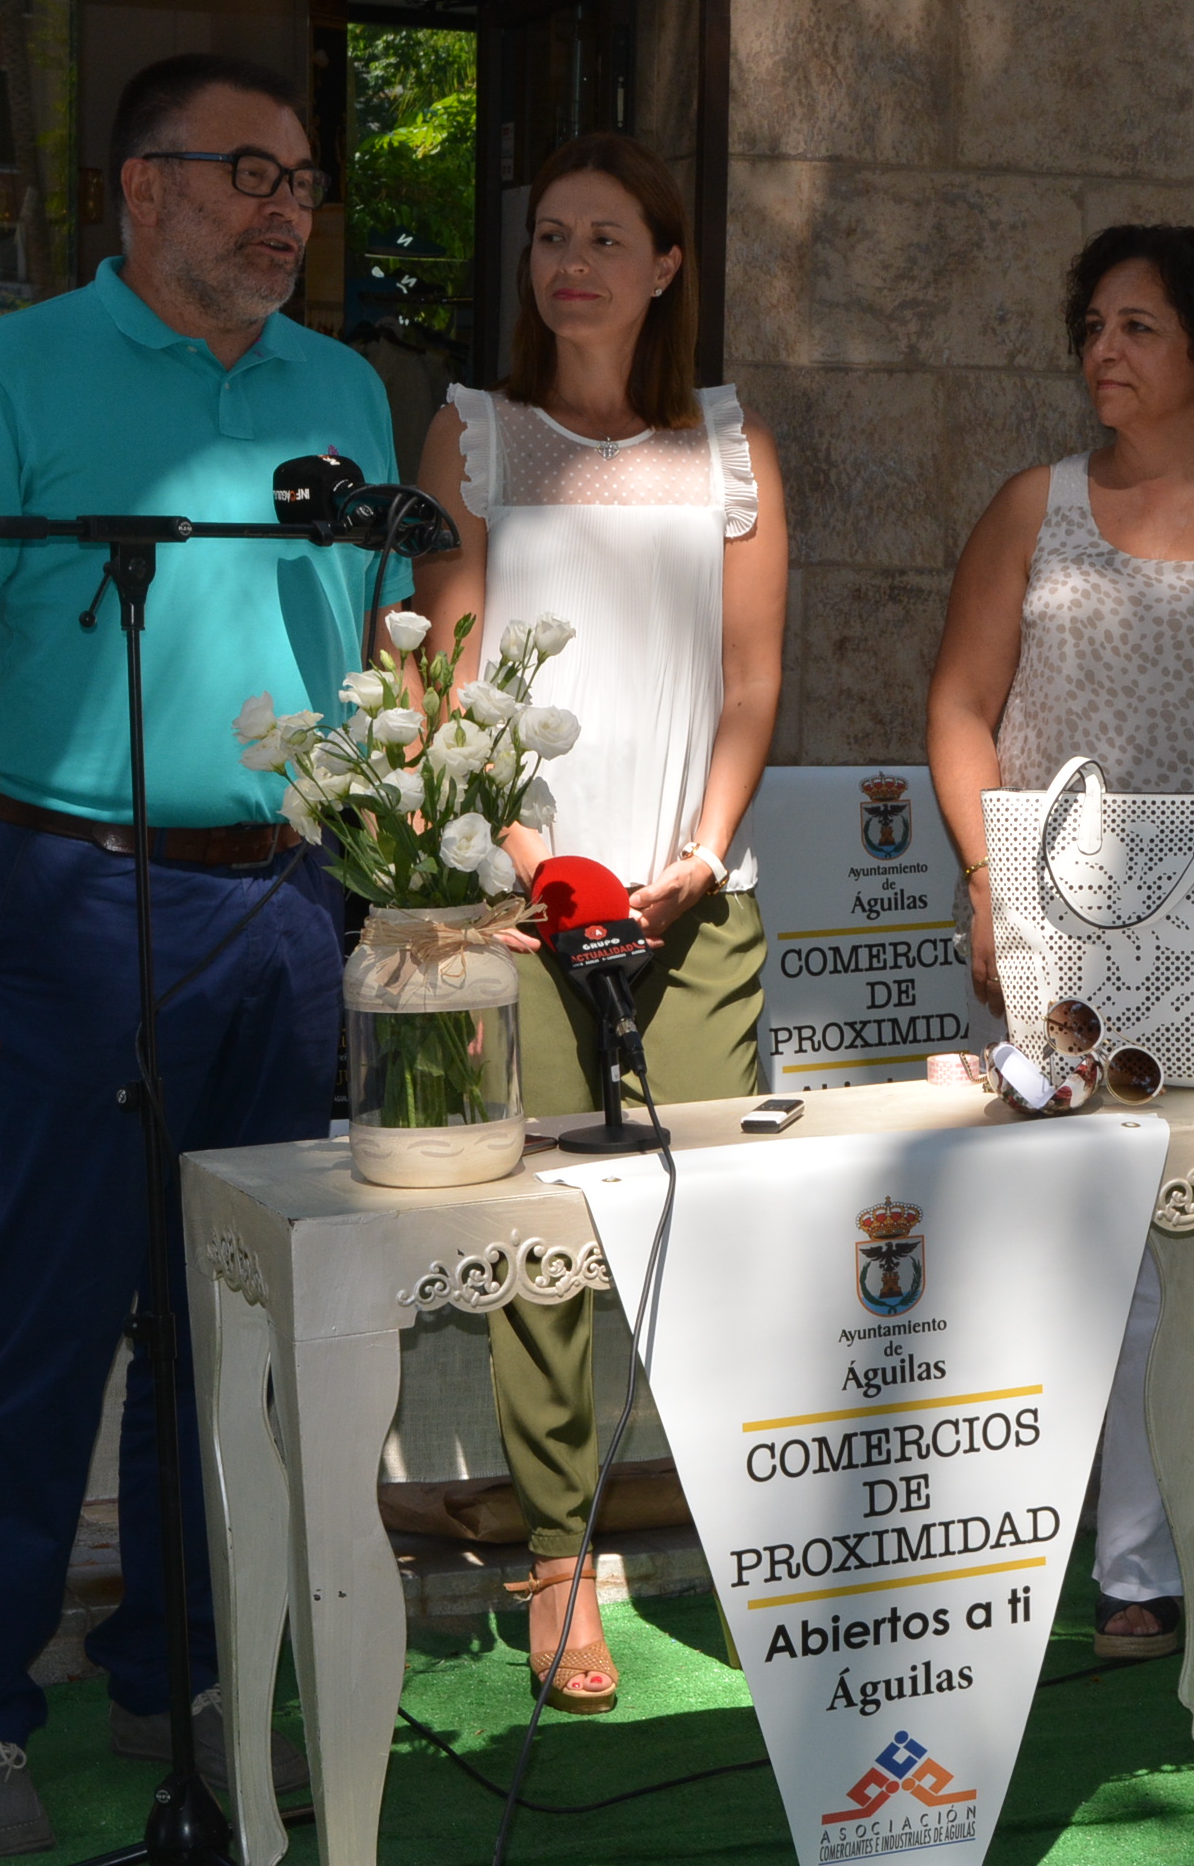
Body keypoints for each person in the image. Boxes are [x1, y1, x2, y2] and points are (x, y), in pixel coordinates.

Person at [0, 53, 397, 1856]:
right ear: (139, 186)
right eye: (247, 172)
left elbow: (387, 662)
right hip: (78, 897)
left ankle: (180, 1663)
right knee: (50, 1315)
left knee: (231, 1318)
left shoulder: (343, 392)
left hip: (292, 909)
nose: (283, 208)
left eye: (303, 182)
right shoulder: (9, 375)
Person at [923, 224, 1194, 1657]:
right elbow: (960, 710)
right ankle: (1070, 1560)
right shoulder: (1028, 509)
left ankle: (1154, 1567)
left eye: (1138, 329)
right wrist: (995, 885)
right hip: (1054, 947)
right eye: (1094, 324)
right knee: (1068, 1256)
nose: (1102, 352)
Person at [407, 130, 790, 1714]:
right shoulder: (473, 437)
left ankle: (765, 1564)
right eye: (550, 234)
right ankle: (558, 1566)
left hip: (695, 911)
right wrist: (515, 858)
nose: (573, 261)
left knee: (713, 1248)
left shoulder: (732, 447)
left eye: (608, 236)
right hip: (523, 919)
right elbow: (441, 668)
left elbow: (756, 681)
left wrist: (701, 851)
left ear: (668, 265)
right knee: (547, 1263)